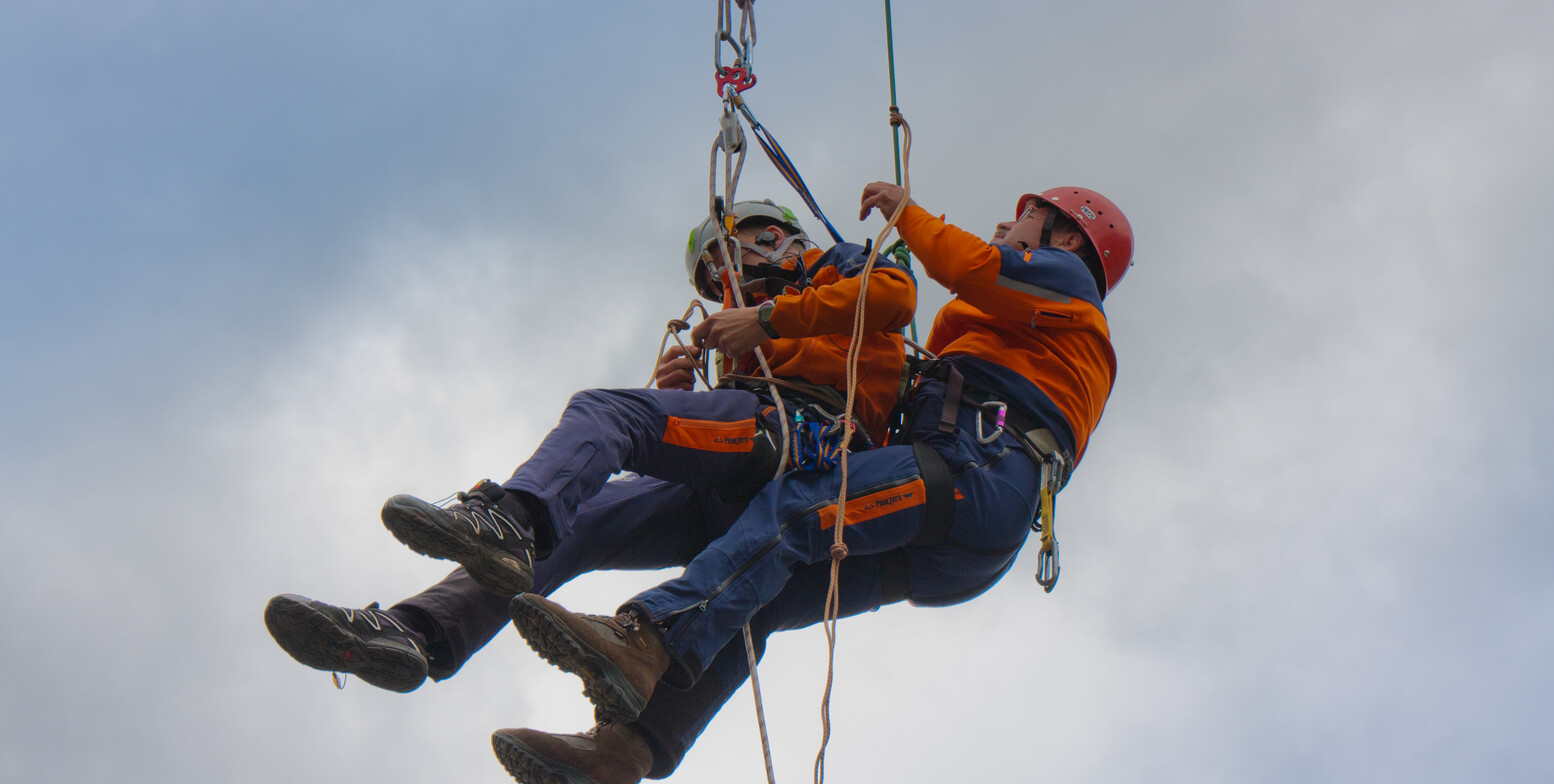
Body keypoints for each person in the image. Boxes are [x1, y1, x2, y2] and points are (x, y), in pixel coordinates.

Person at [488, 182, 1134, 784]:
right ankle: (625, 750)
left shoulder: (1067, 280)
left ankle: (648, 636)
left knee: (797, 510)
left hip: (974, 474)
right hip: (965, 523)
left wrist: (906, 213)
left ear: (1067, 236)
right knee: (762, 594)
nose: (1004, 223)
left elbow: (970, 267)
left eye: (1024, 216)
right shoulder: (1025, 331)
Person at [263, 199, 916, 694]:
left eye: (727, 261)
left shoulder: (833, 266)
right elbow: (743, 397)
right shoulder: (759, 330)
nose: (725, 284)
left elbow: (895, 295)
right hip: (746, 472)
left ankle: (510, 519)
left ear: (772, 236)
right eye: (715, 281)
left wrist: (764, 322)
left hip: (807, 444)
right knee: (573, 524)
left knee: (608, 413)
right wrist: (686, 386)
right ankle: (419, 632)